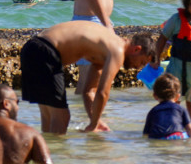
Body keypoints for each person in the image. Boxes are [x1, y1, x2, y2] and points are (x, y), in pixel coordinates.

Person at [19, 20, 156, 134]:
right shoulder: (118, 50)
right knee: (62, 117)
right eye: (142, 62)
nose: (138, 67)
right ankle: (54, 156)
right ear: (136, 49)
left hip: (31, 48)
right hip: (46, 51)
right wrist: (93, 125)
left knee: (49, 115)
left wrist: (95, 121)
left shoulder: (105, 48)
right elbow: (103, 93)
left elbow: (89, 91)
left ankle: (47, 152)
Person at [143, 74, 191, 140]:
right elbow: (190, 128)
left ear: (155, 96)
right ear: (177, 96)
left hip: (159, 138)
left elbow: (146, 134)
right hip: (176, 136)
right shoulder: (181, 109)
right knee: (185, 134)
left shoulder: (153, 111)